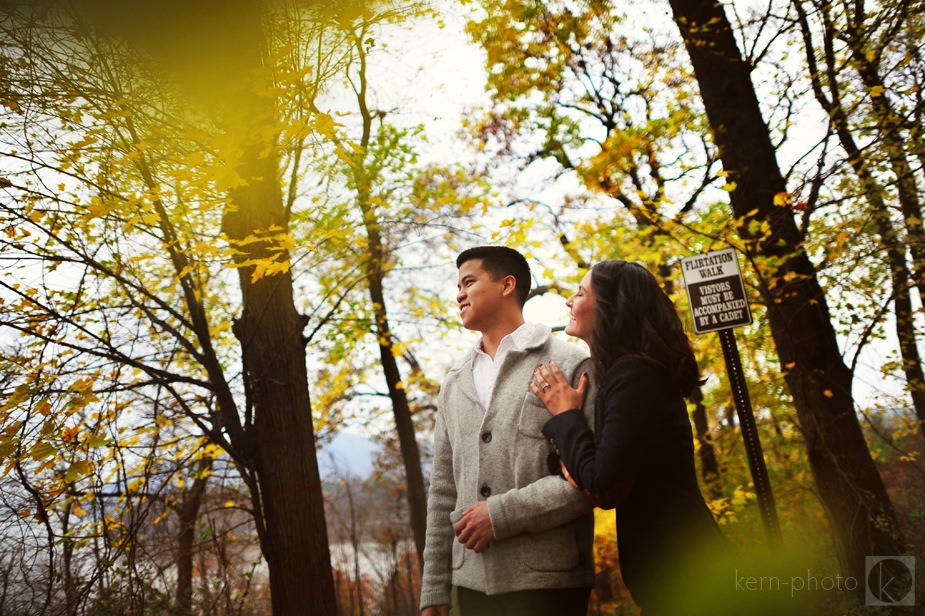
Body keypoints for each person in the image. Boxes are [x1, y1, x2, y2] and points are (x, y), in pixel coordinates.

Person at [530, 260, 724, 615]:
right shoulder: (627, 373)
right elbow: (606, 483)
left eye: (581, 292)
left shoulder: (634, 374)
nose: (569, 302)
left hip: (683, 569)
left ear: (611, 308)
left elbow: (601, 478)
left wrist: (566, 414)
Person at [419, 246, 597, 616]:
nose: (459, 294)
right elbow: (443, 489)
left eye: (469, 282)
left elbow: (590, 478)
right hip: (470, 584)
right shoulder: (453, 383)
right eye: (457, 286)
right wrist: (434, 587)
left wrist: (500, 515)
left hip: (549, 583)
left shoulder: (569, 362)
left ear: (507, 285)